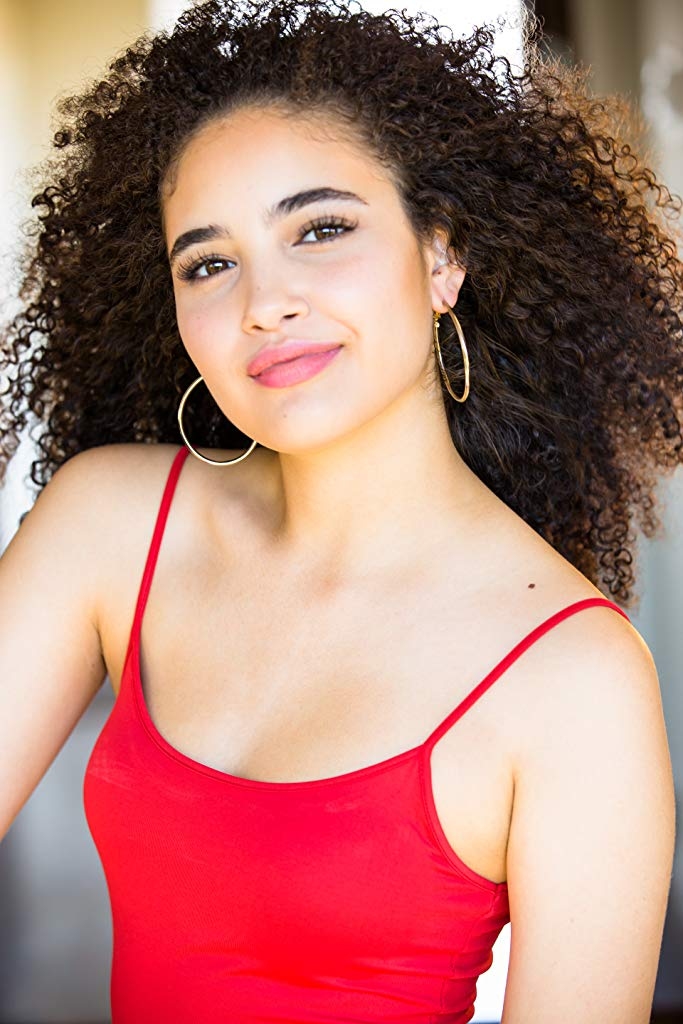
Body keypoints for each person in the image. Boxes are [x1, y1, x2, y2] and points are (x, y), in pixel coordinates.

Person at [0, 0, 678, 1020]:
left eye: (320, 229)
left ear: (440, 257)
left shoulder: (574, 678)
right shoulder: (108, 523)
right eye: (209, 262)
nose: (263, 304)